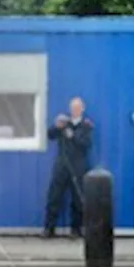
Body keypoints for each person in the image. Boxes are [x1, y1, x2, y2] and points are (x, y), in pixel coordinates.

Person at [43, 97, 93, 239]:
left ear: (82, 109)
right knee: (54, 196)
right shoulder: (64, 123)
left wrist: (73, 137)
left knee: (77, 199)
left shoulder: (86, 125)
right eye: (72, 108)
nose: (74, 110)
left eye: (77, 108)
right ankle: (49, 228)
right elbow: (50, 135)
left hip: (78, 166)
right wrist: (55, 126)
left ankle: (75, 230)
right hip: (62, 165)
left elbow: (86, 144)